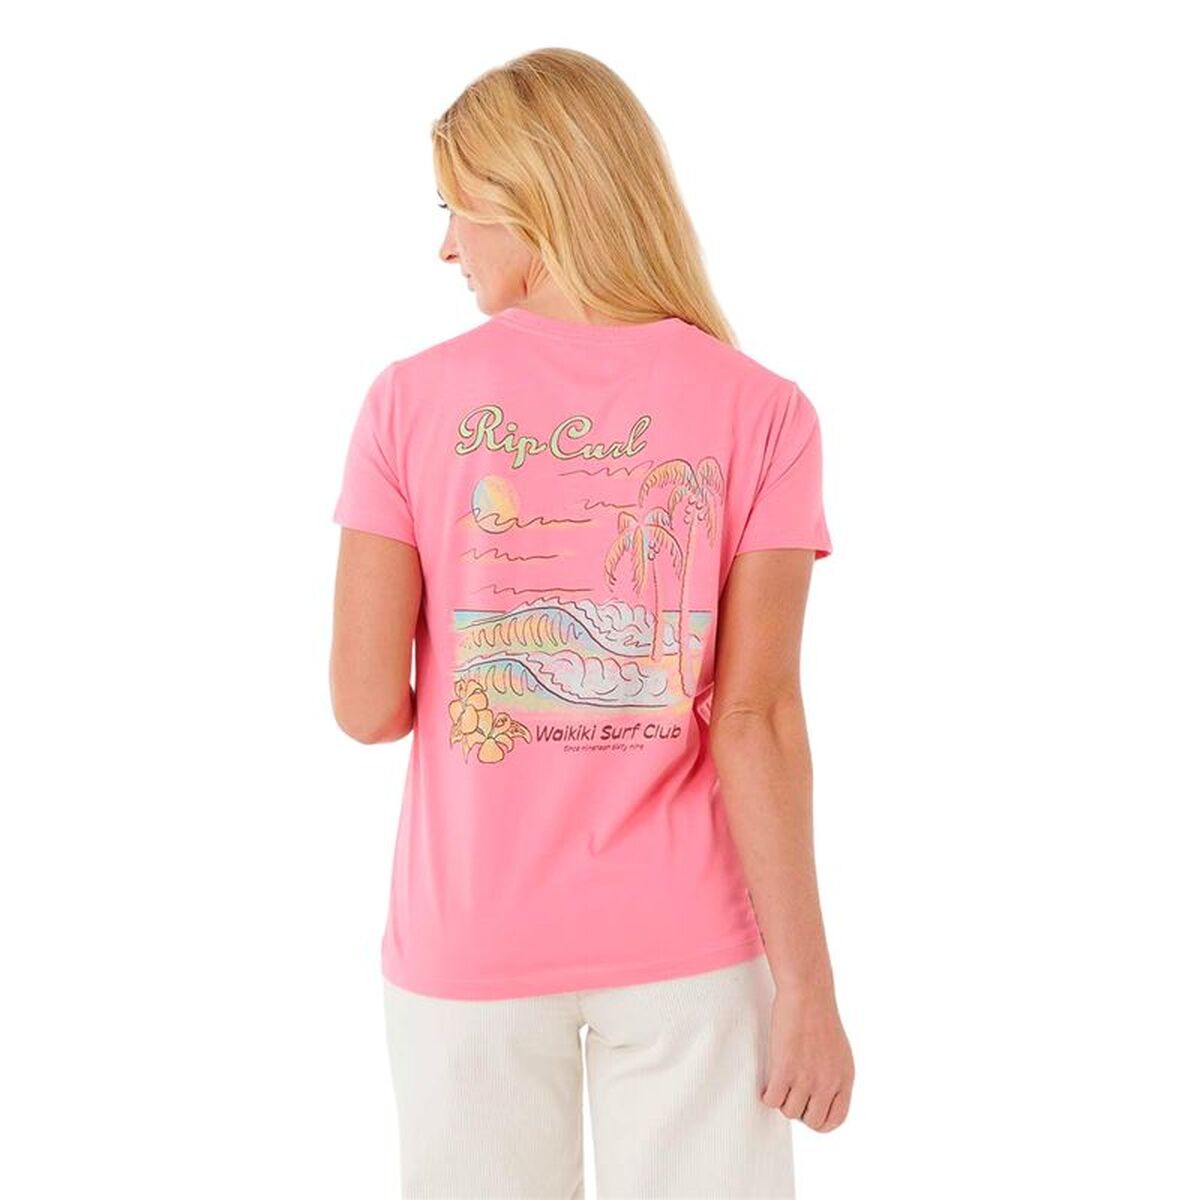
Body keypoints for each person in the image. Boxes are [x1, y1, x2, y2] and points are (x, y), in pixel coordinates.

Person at [329, 46, 854, 1200]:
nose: (447, 247)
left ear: (529, 202)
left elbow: (365, 707)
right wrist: (810, 991)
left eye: (455, 209)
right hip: (692, 951)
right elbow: (757, 718)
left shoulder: (407, 402)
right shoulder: (764, 410)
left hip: (469, 944)